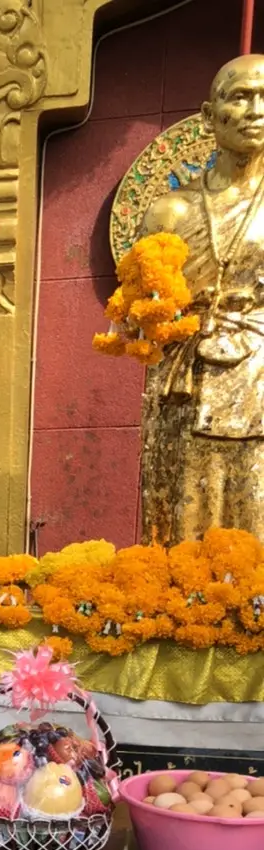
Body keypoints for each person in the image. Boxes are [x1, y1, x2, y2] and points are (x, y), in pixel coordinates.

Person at [141, 54, 264, 542]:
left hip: (260, 371)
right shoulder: (171, 211)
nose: (255, 110)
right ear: (210, 116)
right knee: (185, 503)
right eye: (241, 97)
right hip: (185, 378)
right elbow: (143, 310)